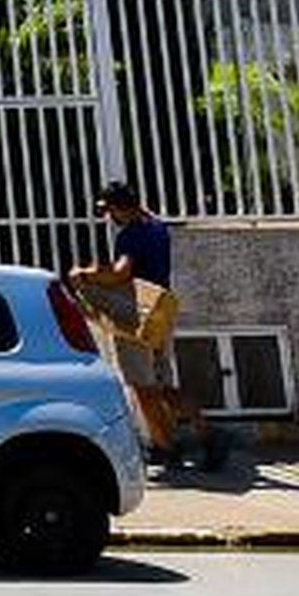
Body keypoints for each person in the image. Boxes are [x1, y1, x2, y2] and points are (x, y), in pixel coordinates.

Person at [70, 179, 224, 474]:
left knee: (144, 389)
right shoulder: (155, 224)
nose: (108, 217)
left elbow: (121, 273)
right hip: (159, 312)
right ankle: (183, 438)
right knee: (160, 386)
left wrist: (85, 275)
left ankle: (174, 446)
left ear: (118, 208)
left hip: (135, 316)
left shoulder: (131, 235)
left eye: (108, 210)